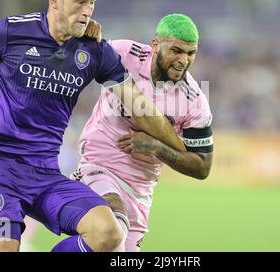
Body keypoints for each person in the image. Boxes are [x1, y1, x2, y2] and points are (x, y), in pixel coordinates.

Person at [0, 0, 185, 252]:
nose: (88, 10)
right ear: (55, 0)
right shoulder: (11, 31)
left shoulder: (94, 51)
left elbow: (138, 106)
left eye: (92, 2)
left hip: (45, 172)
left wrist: (179, 145)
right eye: (80, 2)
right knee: (3, 247)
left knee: (108, 233)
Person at [70, 14, 214, 251]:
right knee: (112, 233)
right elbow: (78, 60)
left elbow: (202, 167)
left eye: (191, 53)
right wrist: (85, 38)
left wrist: (156, 147)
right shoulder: (125, 54)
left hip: (139, 192)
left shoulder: (194, 101)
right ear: (155, 44)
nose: (183, 60)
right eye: (176, 50)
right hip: (99, 166)